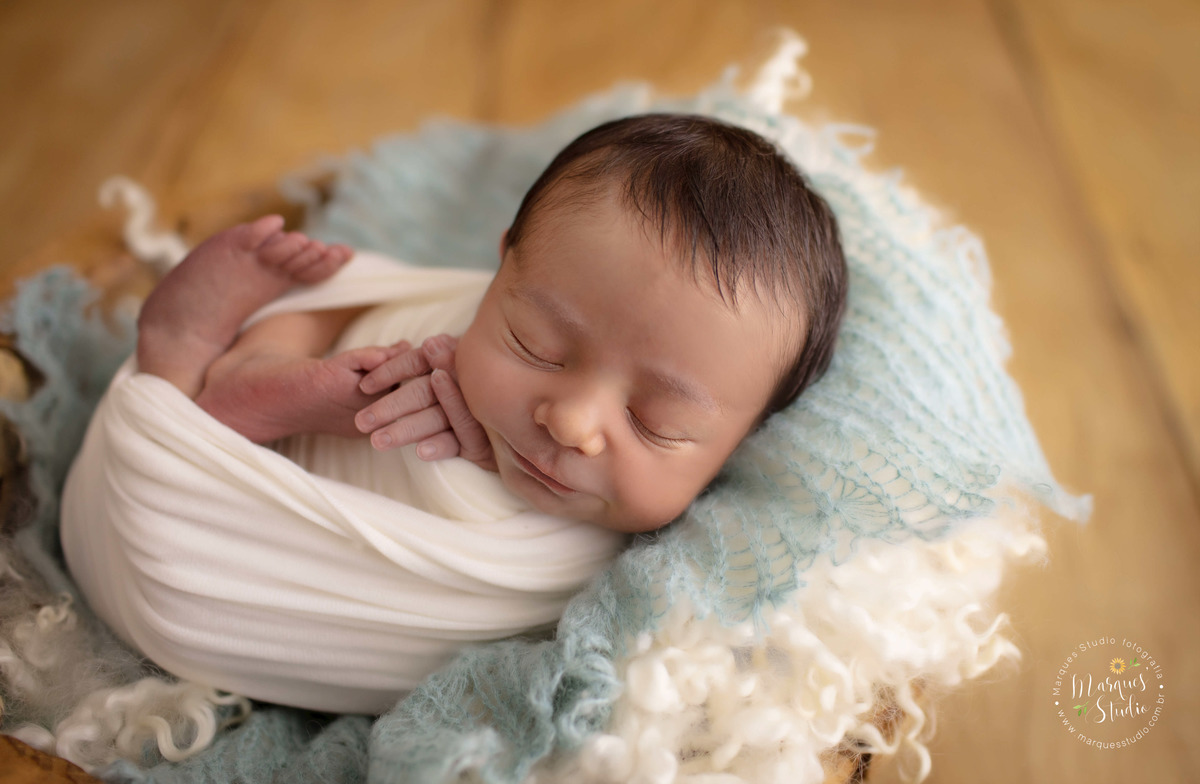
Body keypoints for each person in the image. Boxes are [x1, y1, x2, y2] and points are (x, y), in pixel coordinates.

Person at [136, 113, 849, 535]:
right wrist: (301, 359)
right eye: (536, 344)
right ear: (505, 261)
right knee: (332, 316)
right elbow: (365, 300)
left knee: (161, 491)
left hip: (239, 554)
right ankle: (222, 365)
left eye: (656, 421)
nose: (570, 423)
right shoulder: (441, 333)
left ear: (741, 440)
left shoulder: (659, 558)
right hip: (230, 462)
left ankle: (195, 386)